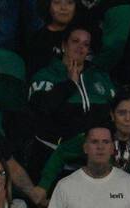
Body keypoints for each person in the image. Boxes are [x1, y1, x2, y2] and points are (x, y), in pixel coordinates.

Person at [28, 26, 117, 178]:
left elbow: (118, 107)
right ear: (63, 46)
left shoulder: (99, 76)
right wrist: (70, 84)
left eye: (86, 44)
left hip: (93, 162)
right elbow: (42, 108)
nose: (80, 47)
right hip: (53, 158)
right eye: (75, 41)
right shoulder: (46, 75)